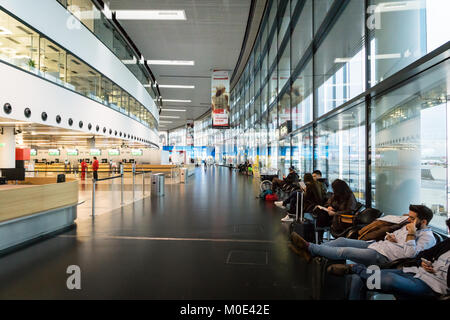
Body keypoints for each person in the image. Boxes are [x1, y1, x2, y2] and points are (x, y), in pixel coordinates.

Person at [327, 218, 450, 300]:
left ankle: (355, 268)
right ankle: (358, 271)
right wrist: (424, 263)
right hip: (415, 272)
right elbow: (422, 255)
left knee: (390, 279)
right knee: (362, 277)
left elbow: (410, 253)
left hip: (432, 285)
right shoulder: (447, 243)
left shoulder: (427, 237)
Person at [289, 204, 436, 266]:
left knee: (344, 251)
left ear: (422, 221)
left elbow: (410, 256)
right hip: (377, 245)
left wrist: (410, 235)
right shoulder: (408, 227)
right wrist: (389, 237)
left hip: (384, 256)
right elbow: (389, 236)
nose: (408, 220)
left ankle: (309, 247)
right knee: (341, 240)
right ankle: (312, 251)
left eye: (412, 218)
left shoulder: (427, 238)